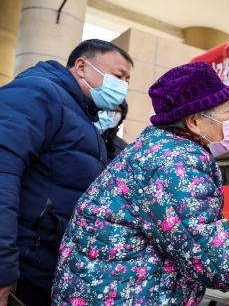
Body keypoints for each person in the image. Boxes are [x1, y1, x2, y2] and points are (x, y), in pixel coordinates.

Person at [51, 62, 229, 305]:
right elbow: (220, 265)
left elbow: (186, 245)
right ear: (194, 122)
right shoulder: (177, 165)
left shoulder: (156, 150)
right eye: (227, 110)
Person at [0, 39, 132, 306]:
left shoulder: (82, 115)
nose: (123, 86)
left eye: (128, 80)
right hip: (23, 267)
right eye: (119, 76)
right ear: (82, 66)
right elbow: (4, 172)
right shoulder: (39, 93)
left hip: (46, 267)